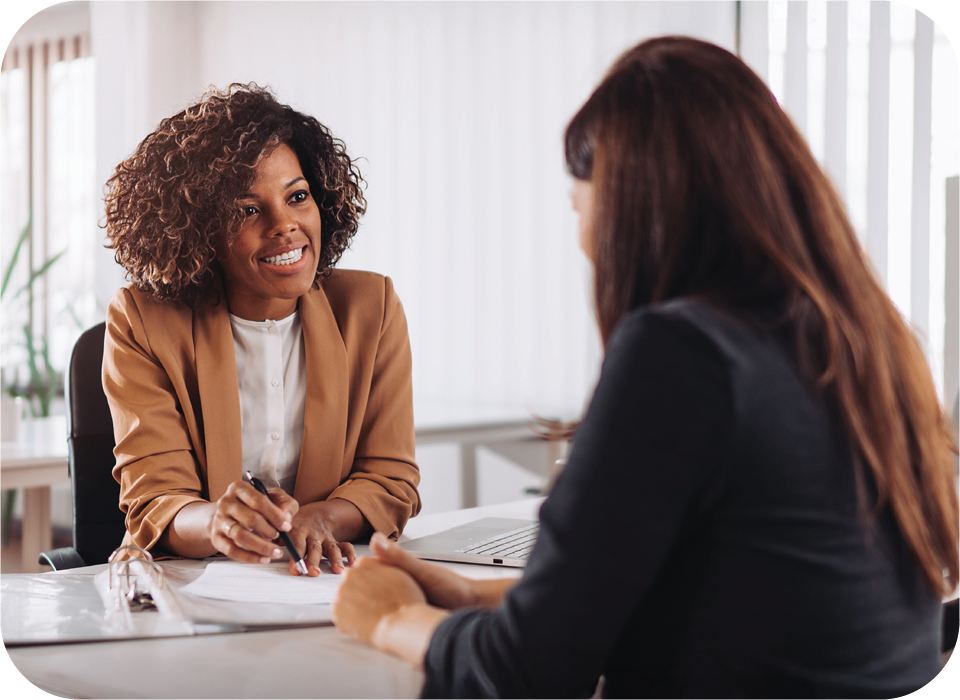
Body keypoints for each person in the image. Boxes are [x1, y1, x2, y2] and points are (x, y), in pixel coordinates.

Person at [331, 36, 960, 697]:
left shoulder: (681, 354)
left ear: (633, 207)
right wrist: (482, 597)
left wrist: (392, 618)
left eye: (580, 208)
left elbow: (527, 674)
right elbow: (742, 598)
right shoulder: (875, 343)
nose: (583, 245)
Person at [102, 84, 420, 576]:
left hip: (322, 583)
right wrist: (217, 523)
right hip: (188, 588)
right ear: (200, 228)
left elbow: (390, 479)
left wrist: (320, 519)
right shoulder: (142, 320)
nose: (285, 225)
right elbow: (156, 499)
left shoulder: (370, 308)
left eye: (297, 197)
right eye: (248, 209)